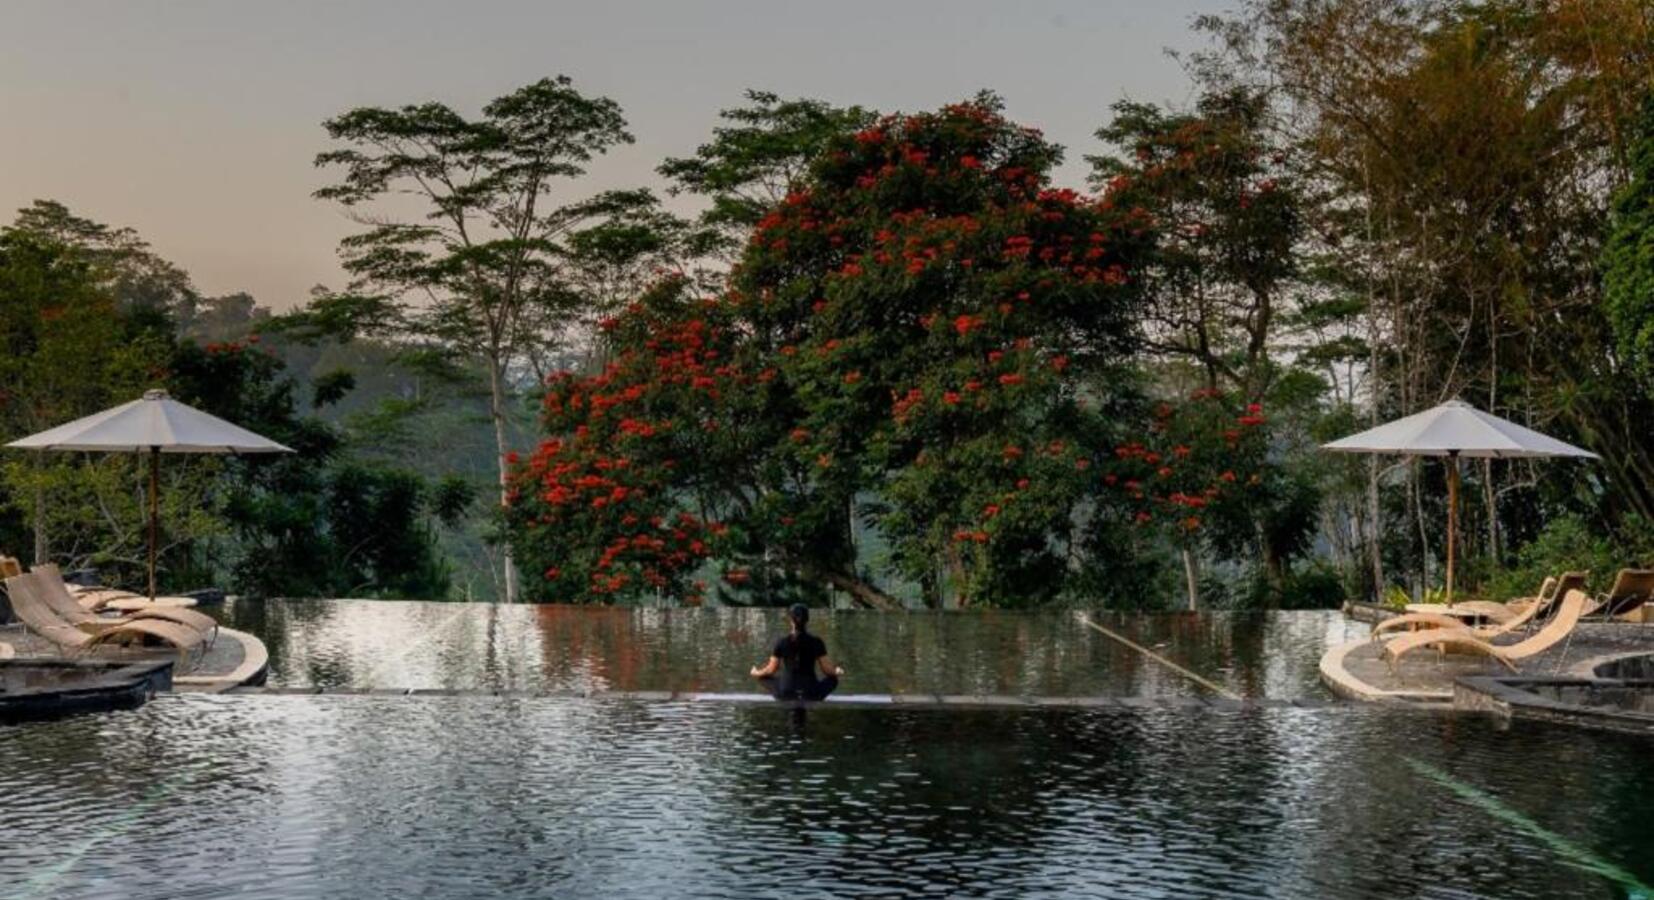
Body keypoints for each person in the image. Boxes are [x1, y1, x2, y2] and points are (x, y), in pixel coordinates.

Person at [749, 604, 843, 701]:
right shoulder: (817, 642)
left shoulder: (781, 642)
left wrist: (756, 673)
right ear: (807, 620)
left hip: (785, 692)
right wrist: (836, 671)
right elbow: (827, 670)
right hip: (811, 692)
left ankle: (786, 693)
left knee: (762, 678)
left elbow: (770, 670)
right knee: (833, 680)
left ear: (791, 620)